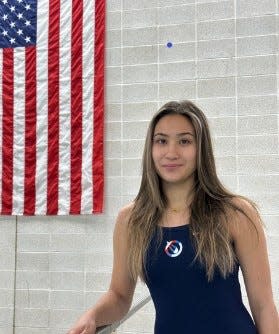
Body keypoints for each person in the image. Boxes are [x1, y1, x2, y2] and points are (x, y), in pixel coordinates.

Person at [68, 100, 279, 334]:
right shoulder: (131, 220)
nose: (171, 152)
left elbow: (263, 307)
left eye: (184, 141)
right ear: (151, 148)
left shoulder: (235, 214)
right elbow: (119, 296)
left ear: (201, 149)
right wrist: (92, 316)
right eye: (161, 141)